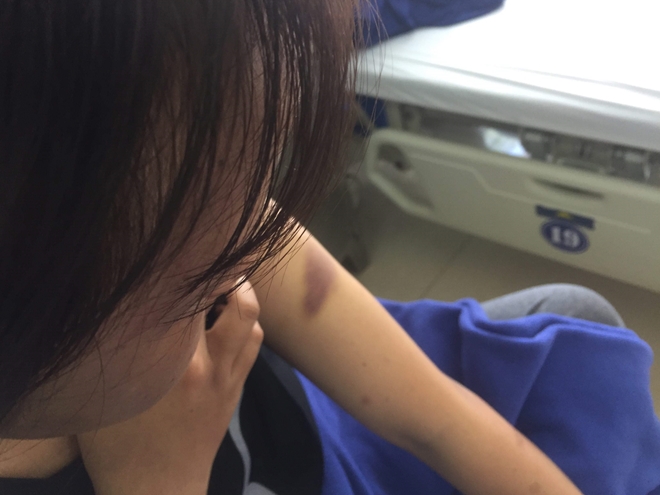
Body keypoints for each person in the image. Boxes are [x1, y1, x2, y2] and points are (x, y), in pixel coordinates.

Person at [0, 1, 605, 493]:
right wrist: (157, 483)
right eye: (201, 279)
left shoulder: (200, 216)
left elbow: (438, 420)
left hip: (335, 438)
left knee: (578, 313)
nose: (250, 271)